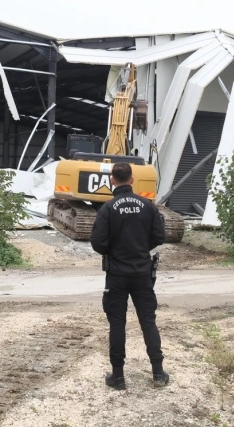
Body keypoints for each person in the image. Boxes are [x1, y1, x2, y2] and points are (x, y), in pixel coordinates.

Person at [90, 162, 168, 390]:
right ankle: (158, 373)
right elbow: (159, 237)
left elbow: (98, 243)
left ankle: (118, 377)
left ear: (112, 180)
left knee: (117, 323)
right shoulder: (148, 206)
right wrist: (141, 248)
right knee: (148, 321)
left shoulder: (108, 209)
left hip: (117, 274)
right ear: (132, 180)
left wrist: (114, 251)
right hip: (143, 272)